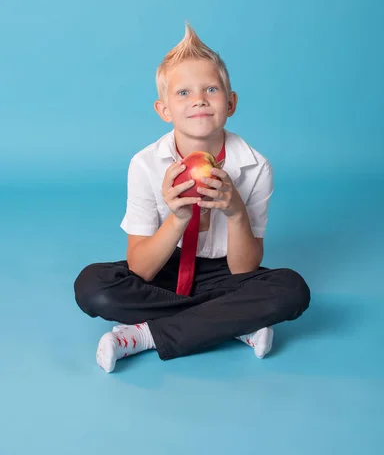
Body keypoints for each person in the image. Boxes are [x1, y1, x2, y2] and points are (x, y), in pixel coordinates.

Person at [74, 23, 310, 373]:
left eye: (211, 89)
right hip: (165, 270)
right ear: (164, 110)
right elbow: (140, 268)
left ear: (230, 103)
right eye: (183, 93)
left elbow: (243, 268)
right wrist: (178, 217)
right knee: (93, 286)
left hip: (225, 274)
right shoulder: (145, 164)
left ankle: (144, 336)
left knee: (292, 289)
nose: (198, 99)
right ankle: (232, 322)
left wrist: (235, 212)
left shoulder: (255, 166)